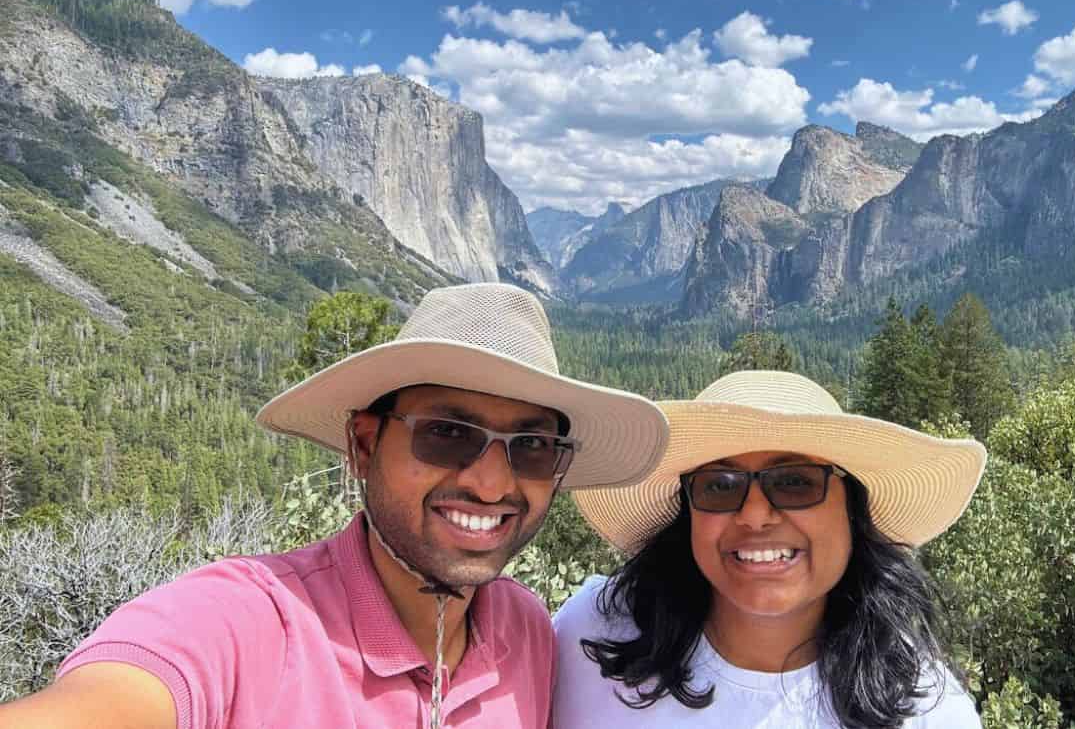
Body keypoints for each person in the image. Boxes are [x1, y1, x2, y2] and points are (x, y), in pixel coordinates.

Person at [0, 283, 669, 729]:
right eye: (447, 434)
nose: (491, 484)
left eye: (531, 446)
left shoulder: (524, 629)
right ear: (362, 444)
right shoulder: (245, 621)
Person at [554, 370, 987, 728]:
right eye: (719, 486)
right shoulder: (591, 635)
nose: (755, 514)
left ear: (852, 511)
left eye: (796, 482)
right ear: (688, 513)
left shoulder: (929, 713)